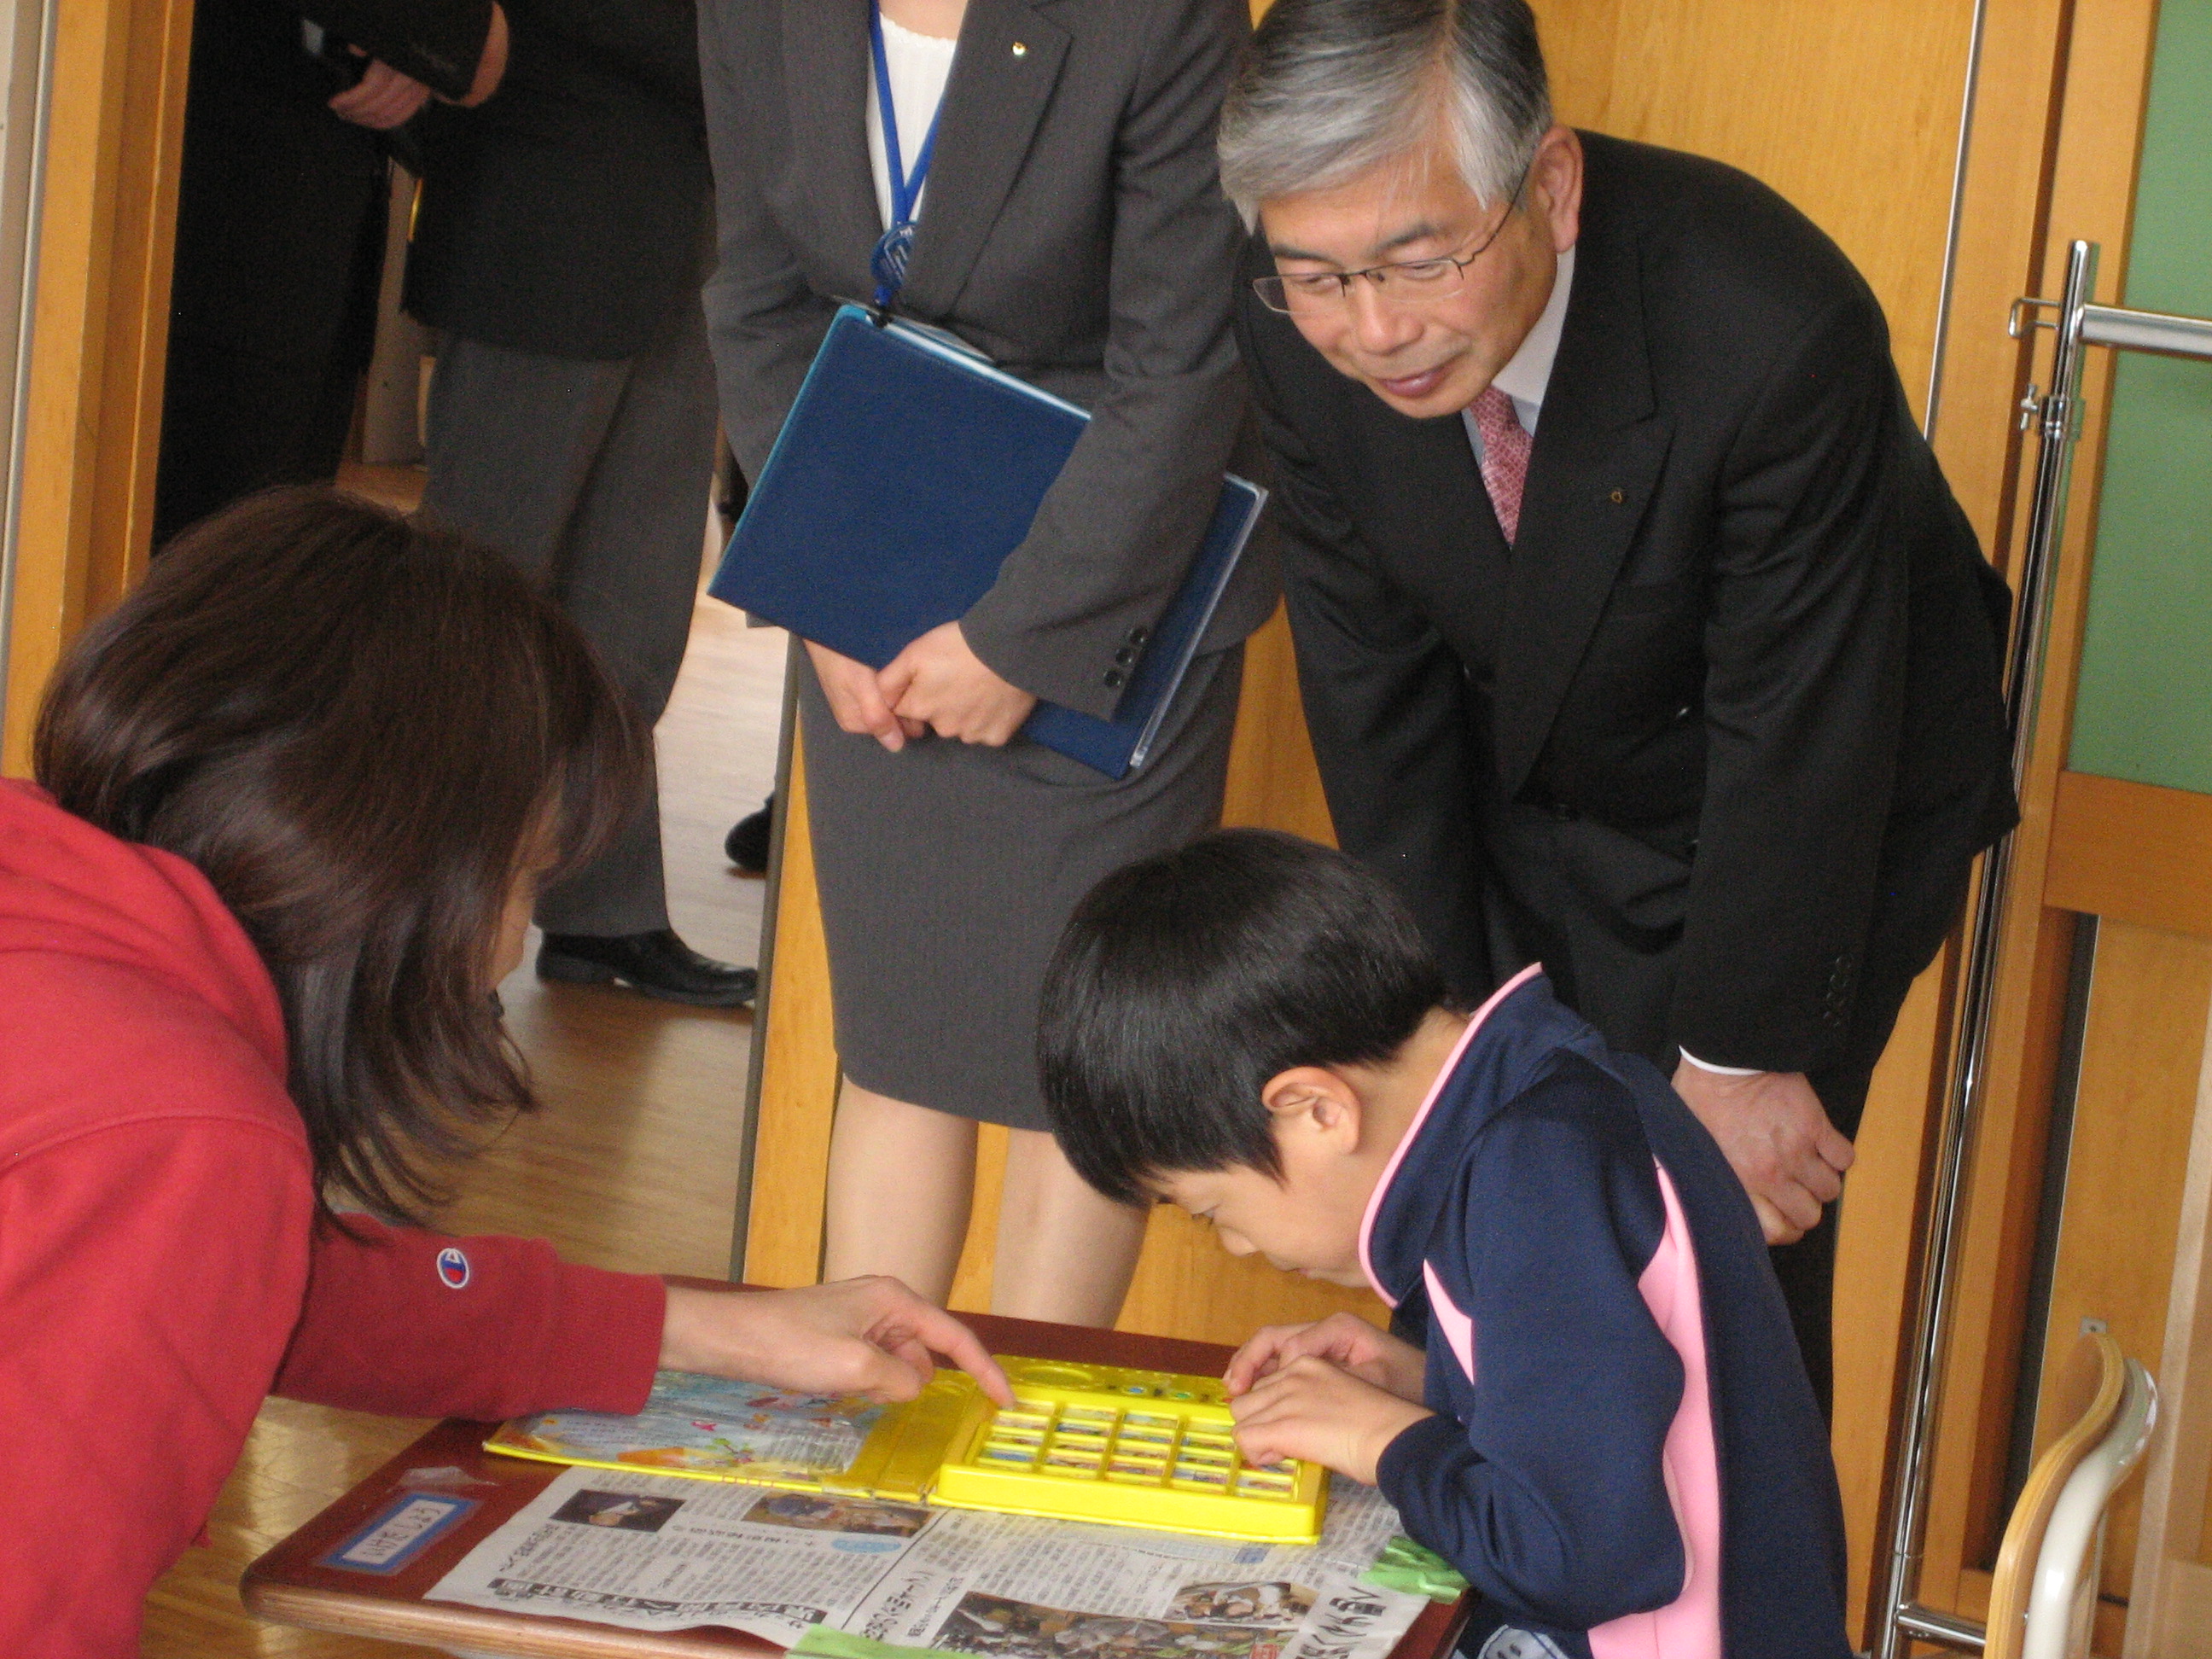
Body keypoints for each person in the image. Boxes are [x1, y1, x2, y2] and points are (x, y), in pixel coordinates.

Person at [0, 489, 1009, 1655]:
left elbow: (274, 1289)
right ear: (400, 861)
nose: (513, 946)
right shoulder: (181, 1135)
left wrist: (710, 1331)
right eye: (527, 877)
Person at [1218, 0, 2017, 1408]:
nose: (1375, 328)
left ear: (1552, 183)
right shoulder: (1297, 313)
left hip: (1808, 790)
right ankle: (1509, 1565)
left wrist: (1740, 1058)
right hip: (1533, 751)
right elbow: (1371, 687)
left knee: (1711, 1233)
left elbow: (1797, 729)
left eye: (1417, 263)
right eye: (1322, 278)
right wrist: (1433, 1030)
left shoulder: (1769, 327)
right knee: (1500, 1162)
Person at [698, 0, 1279, 1321]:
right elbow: (759, 291)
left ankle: (1019, 1446)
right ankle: (866, 1423)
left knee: (1079, 1066)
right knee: (901, 1046)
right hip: (876, 568)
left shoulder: (1162, 18)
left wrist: (1022, 637)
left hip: (1112, 580)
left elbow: (1182, 370)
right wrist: (826, 593)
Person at [1038, 830, 1854, 1659]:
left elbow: (1581, 1555)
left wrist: (1379, 1438)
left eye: (1213, 1210)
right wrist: (1433, 1383)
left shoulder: (1534, 1178)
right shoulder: (1542, 1099)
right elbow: (1613, 1398)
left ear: (1316, 1109)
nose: (1240, 1247)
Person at [405, 0, 752, 1007]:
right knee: (471, 612)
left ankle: (605, 915)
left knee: (634, 611)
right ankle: (416, 916)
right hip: (540, 230)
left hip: (680, 238)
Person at [154, 0, 508, 546]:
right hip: (214, 236)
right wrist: (452, 36)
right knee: (213, 573)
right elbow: (480, 52)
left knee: (274, 563)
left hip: (301, 238)